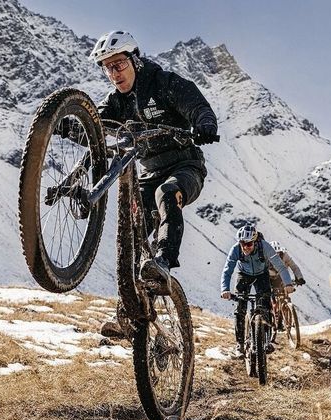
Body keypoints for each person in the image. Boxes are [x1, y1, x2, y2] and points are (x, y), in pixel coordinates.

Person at [90, 30, 218, 339]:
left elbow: (198, 107)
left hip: (185, 166)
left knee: (167, 193)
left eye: (119, 64)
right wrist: (68, 123)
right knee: (130, 234)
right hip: (147, 174)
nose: (114, 73)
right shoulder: (115, 102)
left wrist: (204, 125)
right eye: (107, 68)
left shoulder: (165, 83)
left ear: (135, 60)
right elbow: (96, 125)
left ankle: (163, 261)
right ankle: (129, 311)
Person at [220, 225, 294, 358]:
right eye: (243, 243)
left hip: (262, 275)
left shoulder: (264, 247)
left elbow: (280, 266)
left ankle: (267, 341)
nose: (245, 247)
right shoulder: (236, 249)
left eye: (249, 244)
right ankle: (240, 345)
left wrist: (288, 283)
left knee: (266, 306)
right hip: (243, 275)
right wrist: (225, 289)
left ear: (255, 241)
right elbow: (227, 270)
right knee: (240, 309)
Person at [267, 241, 305, 342]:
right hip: (269, 278)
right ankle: (273, 321)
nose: (277, 256)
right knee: (272, 301)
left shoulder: (285, 256)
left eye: (279, 254)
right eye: (274, 254)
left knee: (285, 294)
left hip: (282, 278)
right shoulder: (266, 257)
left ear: (281, 252)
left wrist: (299, 278)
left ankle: (285, 314)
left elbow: (294, 267)